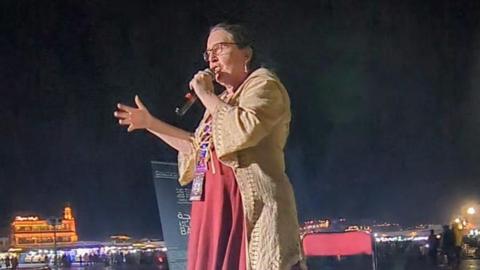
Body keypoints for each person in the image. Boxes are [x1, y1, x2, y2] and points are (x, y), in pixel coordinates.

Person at [114, 22, 304, 270]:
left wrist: (205, 95)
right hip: (212, 207)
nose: (211, 57)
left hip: (244, 204)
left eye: (220, 48)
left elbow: (244, 129)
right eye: (208, 52)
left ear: (246, 53)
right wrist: (151, 124)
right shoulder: (221, 100)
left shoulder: (263, 84)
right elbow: (197, 149)